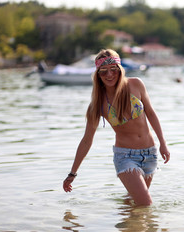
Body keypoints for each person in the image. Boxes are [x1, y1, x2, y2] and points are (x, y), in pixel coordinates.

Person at [63, 49, 170, 206]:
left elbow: (151, 114)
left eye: (113, 69)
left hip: (150, 154)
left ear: (120, 70)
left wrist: (163, 143)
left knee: (133, 203)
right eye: (103, 71)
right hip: (126, 157)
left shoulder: (136, 84)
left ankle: (127, 227)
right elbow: (87, 140)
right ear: (98, 75)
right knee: (145, 203)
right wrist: (72, 173)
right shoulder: (97, 105)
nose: (109, 75)